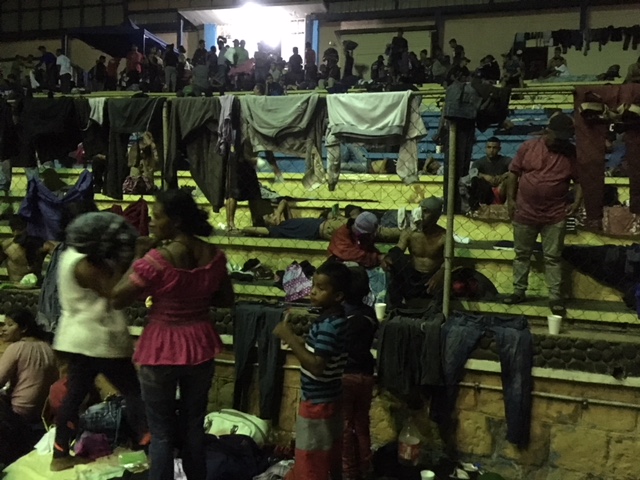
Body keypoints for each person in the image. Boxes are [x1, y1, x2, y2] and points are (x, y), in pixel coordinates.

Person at [111, 189, 234, 480]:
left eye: (157, 217)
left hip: (162, 345)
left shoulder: (158, 259)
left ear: (175, 221)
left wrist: (138, 256)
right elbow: (226, 298)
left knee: (162, 432)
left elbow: (117, 297)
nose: (152, 223)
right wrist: (195, 297)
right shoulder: (213, 255)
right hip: (200, 344)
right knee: (193, 427)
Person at [50, 212, 148, 471]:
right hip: (99, 338)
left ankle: (59, 455)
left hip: (77, 337)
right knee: (134, 392)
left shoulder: (70, 255)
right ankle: (149, 446)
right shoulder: (86, 266)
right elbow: (115, 292)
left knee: (76, 394)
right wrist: (137, 259)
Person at [273, 261, 350, 480]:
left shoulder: (329, 326)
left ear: (338, 296)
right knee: (326, 456)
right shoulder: (332, 319)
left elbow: (317, 366)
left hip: (318, 403)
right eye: (313, 285)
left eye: (321, 288)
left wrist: (289, 337)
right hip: (328, 399)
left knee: (311, 459)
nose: (313, 291)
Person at [505, 113, 582, 316]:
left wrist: (576, 201)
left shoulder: (569, 152)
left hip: (555, 213)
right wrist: (510, 200)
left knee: (553, 257)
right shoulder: (529, 147)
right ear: (548, 132)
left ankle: (555, 297)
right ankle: (518, 291)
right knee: (522, 254)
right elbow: (513, 173)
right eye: (558, 136)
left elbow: (579, 180)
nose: (561, 141)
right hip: (525, 210)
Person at [0, 309, 57, 466]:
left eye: (10, 325)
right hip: (42, 413)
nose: (3, 329)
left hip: (19, 412)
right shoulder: (48, 348)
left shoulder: (17, 348)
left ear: (23, 328)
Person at [341, 266, 378, 480]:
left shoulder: (342, 316)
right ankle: (366, 467)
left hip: (346, 375)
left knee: (345, 427)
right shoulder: (369, 313)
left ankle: (348, 472)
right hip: (366, 375)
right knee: (362, 423)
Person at [385, 197, 445, 307]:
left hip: (431, 277)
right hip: (412, 276)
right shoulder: (410, 232)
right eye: (420, 210)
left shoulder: (443, 236)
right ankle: (395, 307)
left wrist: (440, 274)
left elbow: (449, 260)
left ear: (436, 216)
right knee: (395, 260)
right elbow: (398, 250)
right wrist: (388, 257)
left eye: (426, 211)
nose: (421, 215)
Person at [0, 215, 45, 284]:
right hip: (15, 284)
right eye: (16, 229)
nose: (18, 232)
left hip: (36, 285)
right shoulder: (7, 246)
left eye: (21, 229)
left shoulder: (40, 244)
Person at [472, 137, 512, 204]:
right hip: (485, 190)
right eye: (489, 147)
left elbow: (515, 171)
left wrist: (503, 176)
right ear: (485, 148)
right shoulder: (479, 162)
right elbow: (472, 173)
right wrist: (484, 176)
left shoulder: (506, 160)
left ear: (499, 149)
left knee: (510, 179)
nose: (491, 150)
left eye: (494, 148)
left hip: (502, 189)